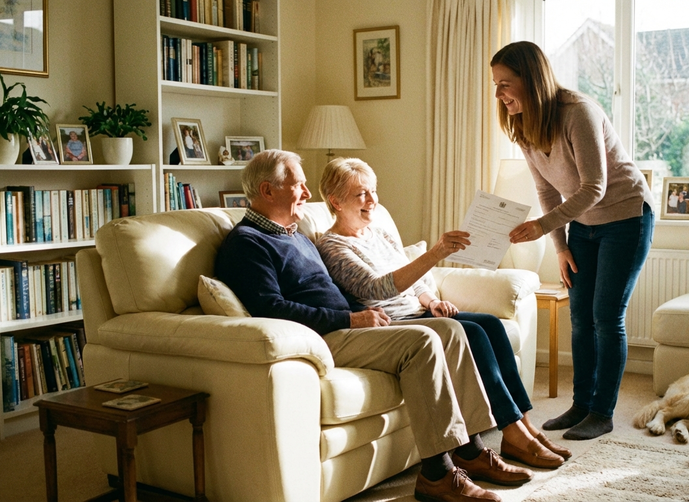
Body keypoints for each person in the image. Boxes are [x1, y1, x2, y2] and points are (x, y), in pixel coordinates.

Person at [215, 150, 529, 502]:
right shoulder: (247, 243)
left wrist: (363, 314)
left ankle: (470, 451)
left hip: (347, 325)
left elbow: (330, 292)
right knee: (423, 342)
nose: (307, 193)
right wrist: (351, 318)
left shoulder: (295, 235)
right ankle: (437, 475)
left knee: (453, 331)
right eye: (299, 185)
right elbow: (271, 309)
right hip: (320, 338)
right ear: (267, 191)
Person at [315, 157, 571, 471]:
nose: (372, 200)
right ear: (336, 202)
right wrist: (436, 253)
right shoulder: (332, 246)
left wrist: (431, 301)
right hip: (393, 324)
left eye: (373, 191)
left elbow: (415, 280)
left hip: (420, 313)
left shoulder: (378, 233)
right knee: (472, 332)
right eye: (361, 194)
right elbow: (377, 288)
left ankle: (525, 427)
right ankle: (513, 432)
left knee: (490, 324)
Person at [491, 41, 655, 441]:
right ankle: (581, 405)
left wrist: (541, 227)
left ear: (532, 79)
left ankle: (602, 412)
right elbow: (547, 190)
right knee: (580, 316)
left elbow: (594, 186)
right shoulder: (524, 125)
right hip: (582, 224)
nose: (498, 94)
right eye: (495, 84)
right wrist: (561, 247)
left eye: (505, 83)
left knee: (606, 316)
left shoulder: (577, 112)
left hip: (626, 216)